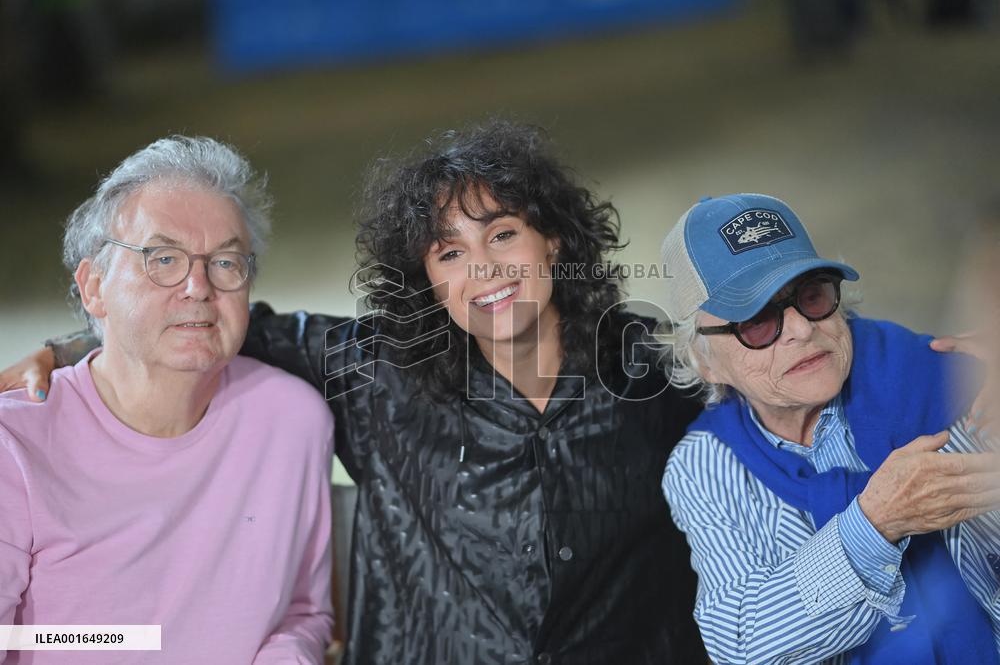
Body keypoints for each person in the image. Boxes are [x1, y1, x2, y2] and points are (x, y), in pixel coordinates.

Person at [2, 121, 706, 664]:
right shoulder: (379, 376)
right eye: (450, 252)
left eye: (505, 233)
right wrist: (71, 345)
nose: (484, 267)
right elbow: (202, 323)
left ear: (553, 242)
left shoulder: (647, 371)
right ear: (425, 278)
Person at [0, 136, 334, 663]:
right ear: (93, 288)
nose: (198, 287)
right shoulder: (14, 447)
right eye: (162, 258)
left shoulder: (291, 422)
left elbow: (303, 613)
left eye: (225, 262)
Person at [659, 192, 1000, 664]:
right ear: (705, 360)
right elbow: (741, 644)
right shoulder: (704, 465)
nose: (801, 329)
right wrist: (875, 525)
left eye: (812, 296)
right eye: (757, 322)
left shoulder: (952, 380)